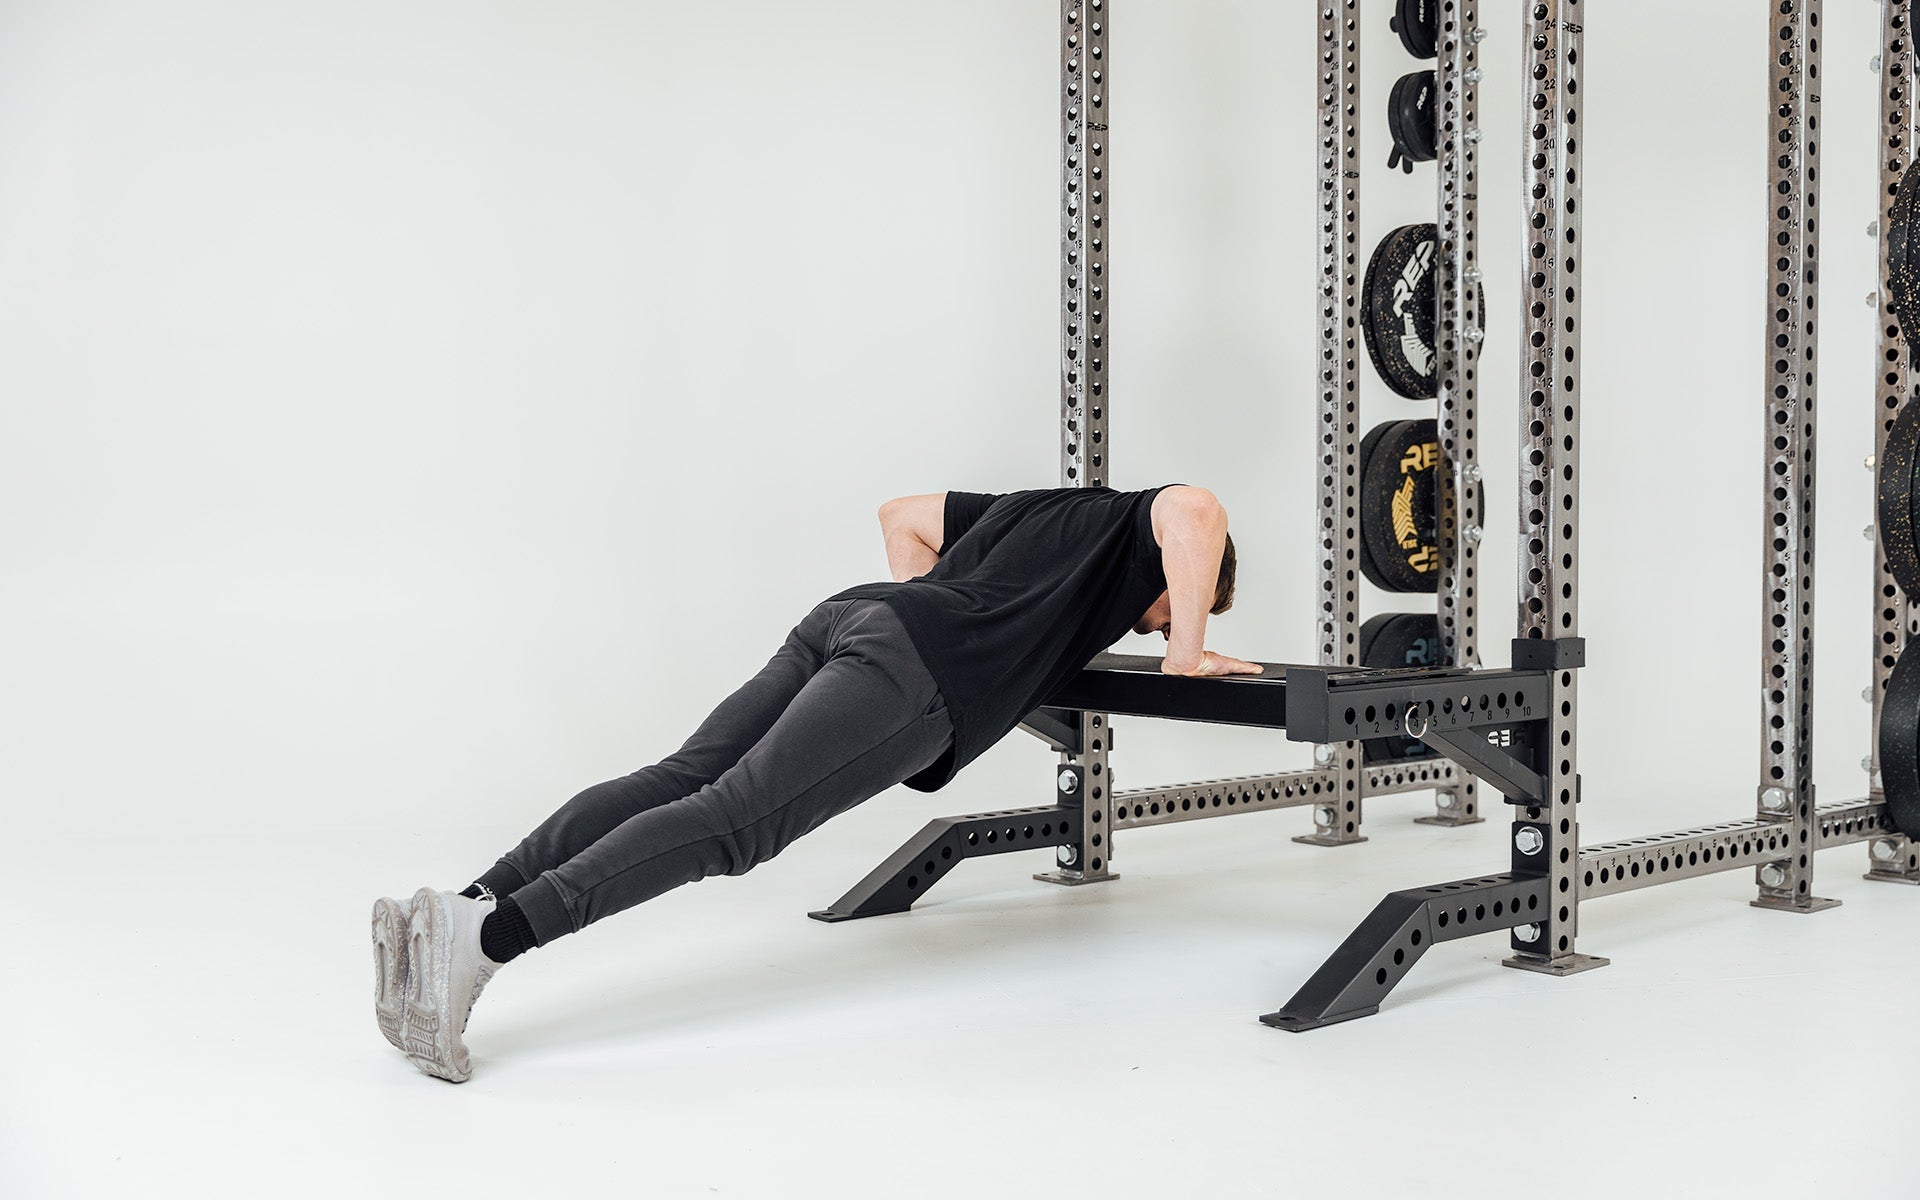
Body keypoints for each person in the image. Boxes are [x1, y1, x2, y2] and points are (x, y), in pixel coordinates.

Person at [371, 483, 1260, 1082]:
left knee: (682, 777)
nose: (1149, 630)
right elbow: (1197, 508)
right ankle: (490, 940)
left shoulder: (1049, 512)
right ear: (1192, 576)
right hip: (915, 669)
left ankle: (455, 910)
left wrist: (937, 602)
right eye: (1167, 613)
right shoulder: (1156, 530)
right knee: (735, 822)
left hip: (853, 615)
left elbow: (902, 515)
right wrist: (1188, 652)